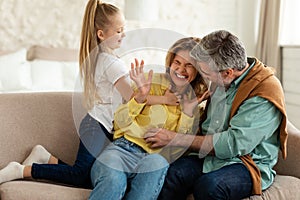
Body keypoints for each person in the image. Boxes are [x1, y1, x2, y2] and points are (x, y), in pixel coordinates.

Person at [144, 30, 288, 200]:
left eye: (205, 73)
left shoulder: (264, 91)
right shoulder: (221, 79)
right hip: (210, 156)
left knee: (210, 187)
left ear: (227, 72)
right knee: (174, 173)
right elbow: (207, 127)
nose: (204, 78)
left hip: (245, 163)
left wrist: (174, 138)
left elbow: (233, 144)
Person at [89, 37, 209, 200]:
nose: (181, 69)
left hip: (156, 158)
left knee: (156, 165)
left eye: (189, 65)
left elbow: (180, 148)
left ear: (198, 70)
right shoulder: (150, 81)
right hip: (123, 149)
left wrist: (188, 112)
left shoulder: (195, 103)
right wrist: (140, 98)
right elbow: (119, 123)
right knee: (113, 181)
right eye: (177, 62)